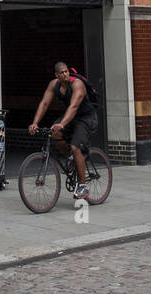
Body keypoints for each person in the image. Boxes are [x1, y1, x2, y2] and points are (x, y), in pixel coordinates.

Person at [28, 62, 99, 201]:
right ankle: (71, 158)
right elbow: (44, 103)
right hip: (70, 117)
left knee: (75, 146)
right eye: (61, 73)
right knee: (53, 134)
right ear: (56, 75)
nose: (65, 74)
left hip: (86, 118)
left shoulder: (77, 84)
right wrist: (35, 122)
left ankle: (83, 187)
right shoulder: (54, 85)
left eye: (66, 71)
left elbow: (73, 107)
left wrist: (61, 123)